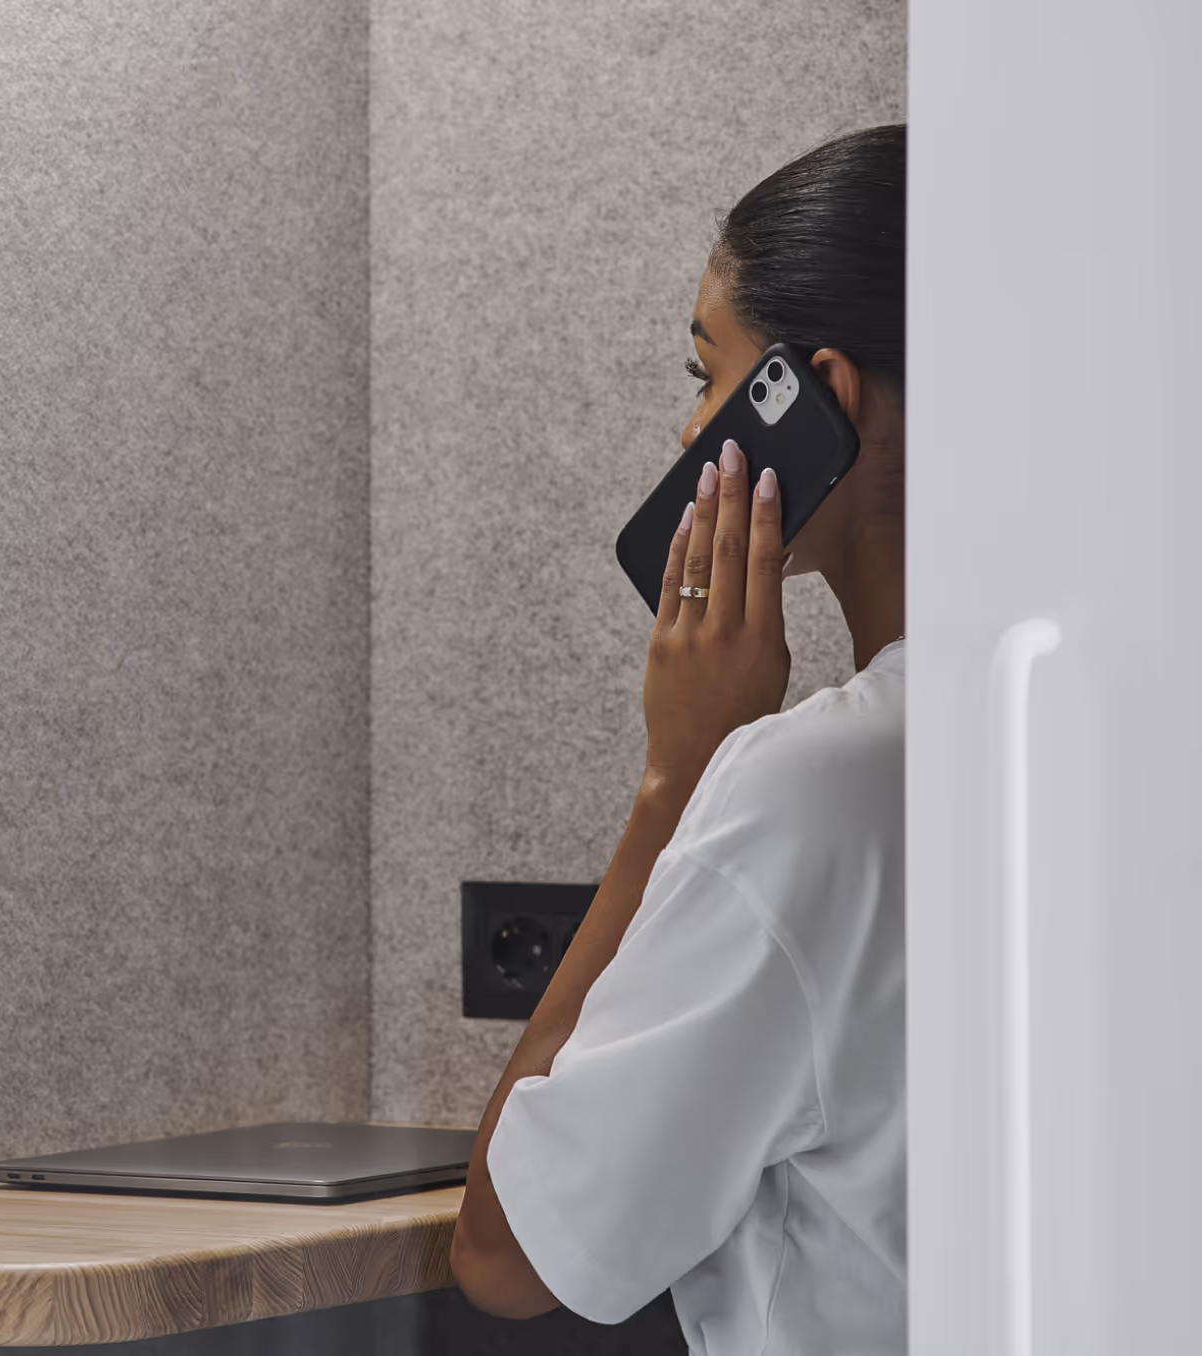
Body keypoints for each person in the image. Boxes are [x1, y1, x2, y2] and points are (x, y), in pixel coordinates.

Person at [450, 124, 908, 1355]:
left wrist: (679, 775)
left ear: (825, 399)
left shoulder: (813, 789)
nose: (692, 431)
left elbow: (508, 1257)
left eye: (708, 376)